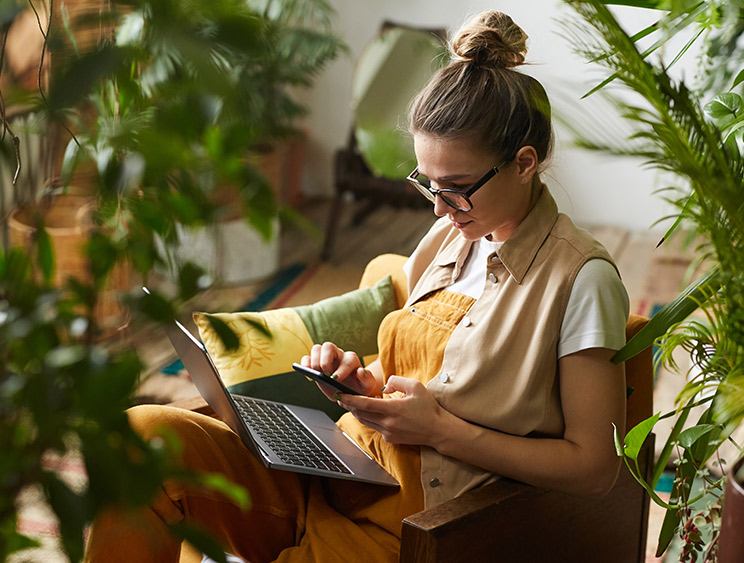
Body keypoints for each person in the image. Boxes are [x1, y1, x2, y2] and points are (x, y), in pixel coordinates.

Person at [84, 10, 629, 563]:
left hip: (412, 526)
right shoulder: (447, 237)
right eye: (429, 185)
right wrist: (361, 388)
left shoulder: (581, 279)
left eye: (458, 188)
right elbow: (424, 380)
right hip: (343, 469)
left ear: (524, 163)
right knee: (142, 440)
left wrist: (440, 431)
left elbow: (594, 469)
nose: (440, 208)